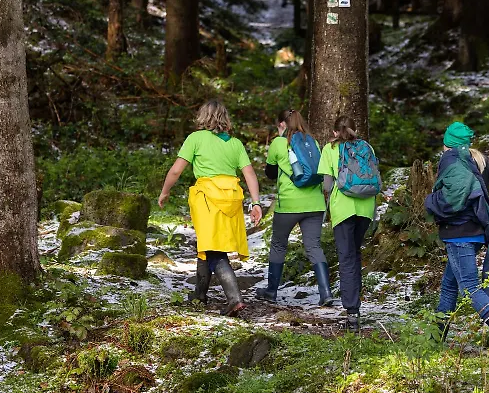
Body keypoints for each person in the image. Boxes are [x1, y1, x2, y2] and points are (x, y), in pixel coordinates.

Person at [158, 100, 263, 317]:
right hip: (232, 199)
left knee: (215, 250)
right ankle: (200, 294)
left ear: (203, 117)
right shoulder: (235, 143)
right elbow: (250, 174)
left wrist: (165, 191)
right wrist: (255, 203)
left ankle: (235, 299)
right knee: (207, 245)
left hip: (207, 198)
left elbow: (176, 170)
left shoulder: (196, 138)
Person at [425, 122, 489, 357]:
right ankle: (434, 341)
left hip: (459, 234)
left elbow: (451, 200)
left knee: (469, 287)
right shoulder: (475, 160)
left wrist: (432, 202)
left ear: (447, 144)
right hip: (476, 233)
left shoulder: (451, 161)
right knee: (449, 286)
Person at [257, 109, 333, 306]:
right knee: (314, 246)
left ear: (282, 124)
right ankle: (326, 294)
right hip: (315, 204)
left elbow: (270, 173)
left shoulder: (279, 143)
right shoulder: (313, 142)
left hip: (289, 205)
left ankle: (271, 291)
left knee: (279, 245)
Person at [317, 116, 377, 333]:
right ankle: (355, 306)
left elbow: (327, 184)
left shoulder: (330, 149)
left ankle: (352, 312)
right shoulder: (366, 146)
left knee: (347, 257)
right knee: (355, 253)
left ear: (335, 132)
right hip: (366, 207)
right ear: (355, 129)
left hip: (343, 207)